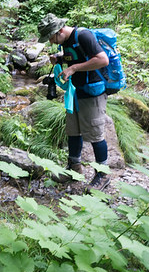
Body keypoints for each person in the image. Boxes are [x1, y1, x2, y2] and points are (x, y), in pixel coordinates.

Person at [37, 13, 110, 190]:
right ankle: (74, 168)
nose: (52, 42)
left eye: (51, 38)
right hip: (75, 92)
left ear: (60, 30)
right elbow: (75, 57)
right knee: (73, 131)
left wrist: (74, 68)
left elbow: (102, 60)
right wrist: (60, 59)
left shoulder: (83, 36)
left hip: (92, 92)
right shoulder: (66, 42)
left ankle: (103, 174)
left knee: (95, 134)